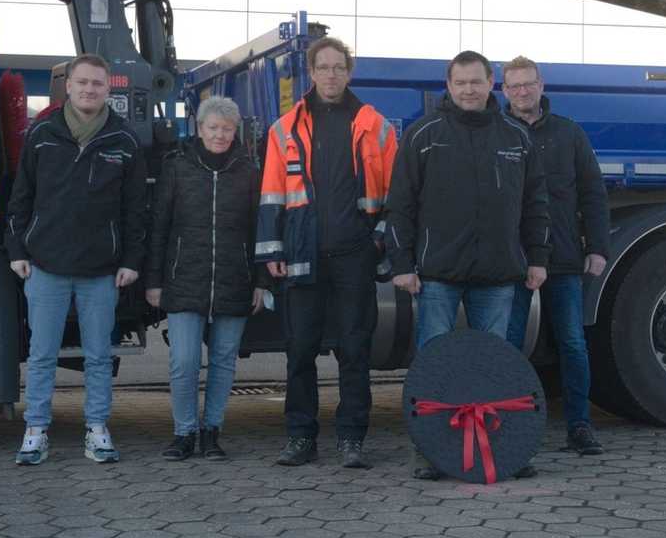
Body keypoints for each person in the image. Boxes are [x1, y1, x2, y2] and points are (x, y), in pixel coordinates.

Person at [385, 50, 550, 479]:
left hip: (498, 275)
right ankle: (432, 451)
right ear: (448, 85)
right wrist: (402, 264)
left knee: (496, 366)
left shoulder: (516, 136)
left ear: (491, 82)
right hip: (438, 275)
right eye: (460, 83)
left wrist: (539, 259)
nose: (468, 90)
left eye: (476, 82)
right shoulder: (424, 135)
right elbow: (399, 206)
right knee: (435, 365)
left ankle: (502, 450)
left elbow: (536, 204)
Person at [256, 36, 398, 469]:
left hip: (356, 254)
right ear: (311, 72)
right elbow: (271, 196)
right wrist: (271, 253)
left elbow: (397, 196)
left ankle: (351, 438)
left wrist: (378, 242)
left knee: (354, 351)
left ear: (349, 72)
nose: (331, 74)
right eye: (324, 67)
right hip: (302, 256)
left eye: (339, 67)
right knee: (299, 351)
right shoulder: (285, 128)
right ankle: (301, 437)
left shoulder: (377, 126)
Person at [6, 53, 147, 465]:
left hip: (100, 270)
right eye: (82, 82)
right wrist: (18, 251)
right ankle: (35, 430)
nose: (89, 89)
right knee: (42, 354)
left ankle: (98, 430)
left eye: (97, 84)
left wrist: (131, 260)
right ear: (67, 86)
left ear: (108, 89)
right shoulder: (43, 134)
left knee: (99, 356)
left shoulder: (123, 141)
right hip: (46, 266)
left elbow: (136, 210)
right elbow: (21, 198)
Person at [145, 96, 266, 461]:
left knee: (224, 361)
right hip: (184, 280)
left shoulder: (248, 171)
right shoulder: (178, 168)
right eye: (212, 128)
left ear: (235, 132)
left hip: (235, 279)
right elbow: (159, 227)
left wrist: (261, 281)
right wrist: (154, 282)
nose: (219, 135)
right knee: (183, 361)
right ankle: (184, 432)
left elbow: (260, 229)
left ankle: (211, 431)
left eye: (226, 129)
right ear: (199, 129)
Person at [502, 55, 609, 456]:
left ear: (541, 85)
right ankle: (507, 427)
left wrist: (597, 247)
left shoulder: (569, 134)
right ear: (504, 91)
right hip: (511, 259)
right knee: (509, 344)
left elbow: (593, 194)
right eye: (514, 86)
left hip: (564, 258)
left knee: (572, 344)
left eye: (528, 84)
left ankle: (579, 427)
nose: (522, 92)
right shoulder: (498, 132)